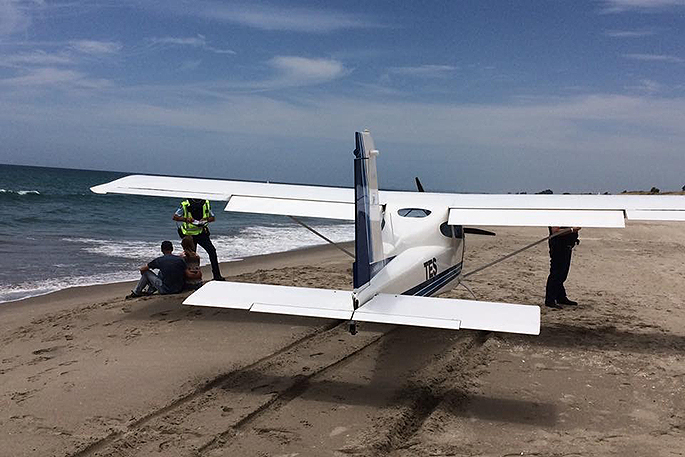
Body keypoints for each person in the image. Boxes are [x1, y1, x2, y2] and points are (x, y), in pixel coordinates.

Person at [173, 198, 225, 281]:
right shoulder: (185, 204)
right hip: (189, 234)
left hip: (202, 233)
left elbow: (212, 218)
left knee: (212, 251)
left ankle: (217, 275)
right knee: (190, 256)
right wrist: (186, 219)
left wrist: (205, 220)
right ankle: (187, 278)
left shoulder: (206, 203)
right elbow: (175, 217)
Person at [545, 226, 581, 309]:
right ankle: (550, 300)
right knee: (557, 273)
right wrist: (572, 230)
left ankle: (560, 297)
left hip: (566, 245)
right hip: (559, 246)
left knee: (562, 273)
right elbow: (555, 231)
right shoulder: (557, 218)